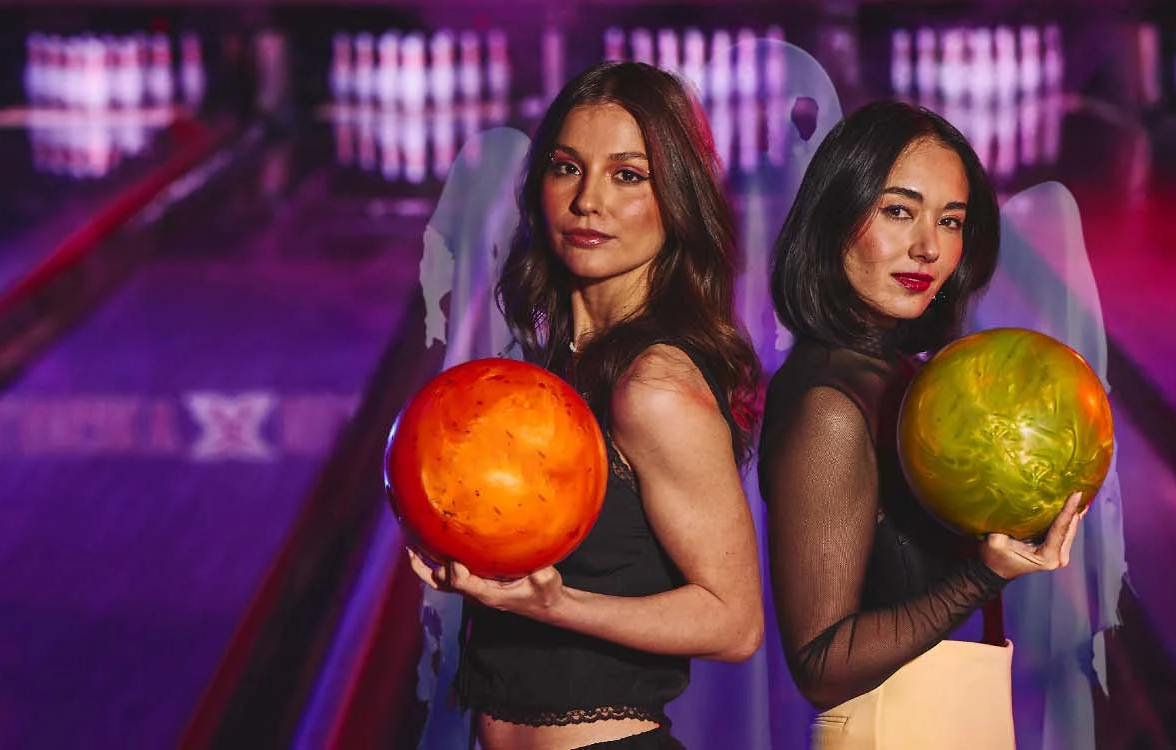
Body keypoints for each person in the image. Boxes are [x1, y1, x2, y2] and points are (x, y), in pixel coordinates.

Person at [407, 61, 765, 750]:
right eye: (568, 168)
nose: (587, 201)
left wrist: (557, 604)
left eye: (628, 175)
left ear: (677, 198)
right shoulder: (547, 367)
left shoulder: (654, 385)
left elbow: (734, 621)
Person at [759, 100, 1090, 748]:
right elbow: (821, 666)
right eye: (898, 211)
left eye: (950, 220)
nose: (928, 247)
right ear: (835, 216)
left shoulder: (897, 378)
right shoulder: (830, 405)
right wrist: (984, 575)